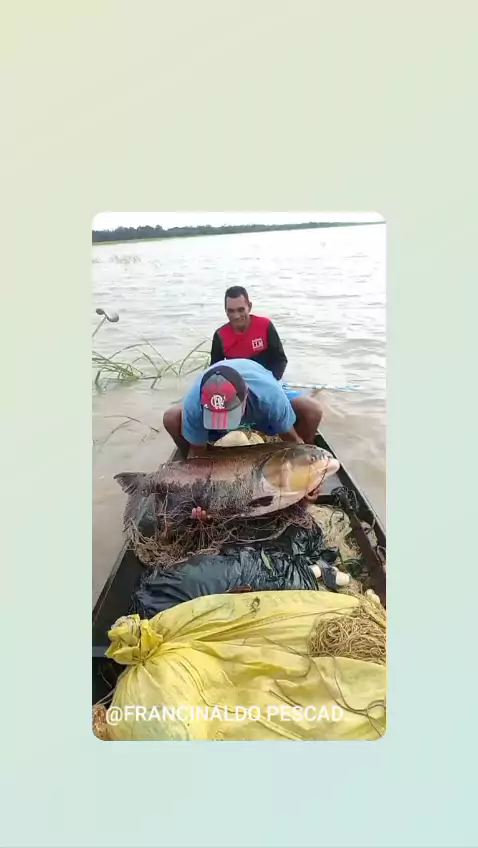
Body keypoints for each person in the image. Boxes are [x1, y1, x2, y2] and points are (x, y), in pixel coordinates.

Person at [162, 358, 323, 461]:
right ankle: (185, 465)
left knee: (312, 411)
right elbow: (197, 452)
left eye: (230, 415)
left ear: (246, 394)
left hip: (261, 410)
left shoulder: (270, 396)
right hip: (209, 417)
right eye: (219, 416)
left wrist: (305, 467)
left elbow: (292, 440)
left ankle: (312, 455)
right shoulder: (195, 404)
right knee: (171, 418)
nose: (227, 426)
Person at [210, 286, 288, 380]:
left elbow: (280, 360)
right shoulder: (220, 336)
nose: (236, 316)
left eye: (241, 310)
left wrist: (271, 381)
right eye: (231, 311)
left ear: (249, 307)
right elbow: (215, 371)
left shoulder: (265, 326)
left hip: (267, 381)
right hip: (237, 385)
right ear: (225, 310)